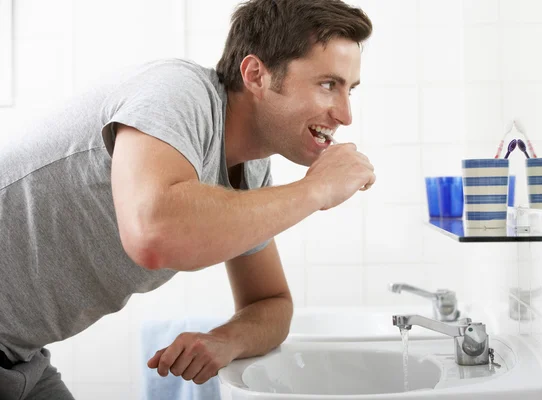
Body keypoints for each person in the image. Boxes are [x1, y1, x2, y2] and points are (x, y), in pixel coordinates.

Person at [0, 0, 375, 397]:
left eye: (350, 89)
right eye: (328, 84)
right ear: (255, 74)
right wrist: (315, 189)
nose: (346, 114)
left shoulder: (252, 171)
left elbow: (272, 302)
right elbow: (153, 234)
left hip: (21, 358)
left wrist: (228, 339)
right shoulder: (177, 94)